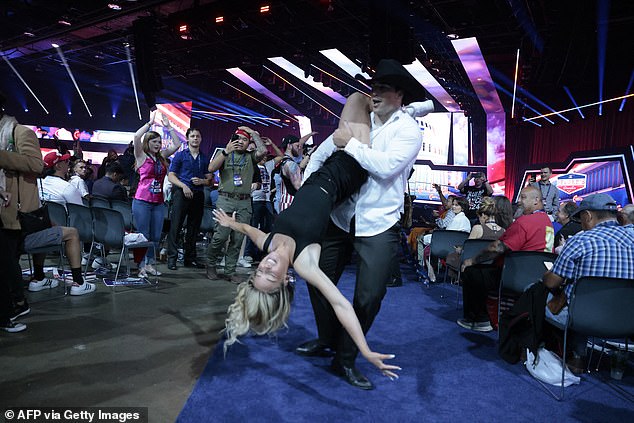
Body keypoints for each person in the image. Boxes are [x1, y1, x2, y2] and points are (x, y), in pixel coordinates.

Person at [214, 90, 402, 383]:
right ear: (285, 279)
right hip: (346, 172)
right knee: (356, 99)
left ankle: (398, 106)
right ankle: (404, 107)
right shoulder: (305, 264)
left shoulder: (269, 245)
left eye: (260, 270)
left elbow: (249, 230)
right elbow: (341, 303)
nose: (266, 265)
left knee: (359, 107)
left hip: (321, 172)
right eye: (271, 273)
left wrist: (229, 222)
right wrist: (365, 350)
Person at [296, 59, 427, 389]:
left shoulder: (408, 130)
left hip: (378, 224)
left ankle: (346, 357)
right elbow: (325, 151)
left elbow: (384, 167)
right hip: (340, 218)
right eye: (373, 88)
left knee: (369, 296)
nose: (375, 93)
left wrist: (350, 144)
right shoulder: (361, 119)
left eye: (382, 88)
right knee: (316, 279)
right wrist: (310, 187)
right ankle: (328, 339)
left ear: (400, 94)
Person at [543, 193, 634, 371]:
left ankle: (571, 356)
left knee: (539, 292)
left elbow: (552, 283)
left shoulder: (580, 241)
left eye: (581, 219)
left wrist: (546, 274)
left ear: (588, 216)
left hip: (583, 319)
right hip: (628, 320)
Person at [457, 185, 554, 332]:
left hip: (517, 276)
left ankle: (480, 319)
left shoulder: (524, 222)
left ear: (536, 200)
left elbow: (497, 248)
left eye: (523, 197)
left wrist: (472, 260)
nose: (519, 201)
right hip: (538, 276)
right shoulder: (547, 221)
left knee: (472, 271)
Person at [205, 126, 267, 283]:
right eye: (238, 138)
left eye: (245, 140)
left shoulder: (251, 157)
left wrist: (253, 133)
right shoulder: (224, 154)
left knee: (238, 238)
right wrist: (226, 151)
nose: (240, 142)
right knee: (221, 236)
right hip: (225, 199)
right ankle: (211, 264)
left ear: (249, 143)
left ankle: (230, 270)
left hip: (244, 201)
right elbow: (211, 168)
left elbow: (263, 151)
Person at [132, 110, 181, 278]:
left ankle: (151, 264)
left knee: (155, 235)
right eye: (154, 141)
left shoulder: (161, 158)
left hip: (159, 202)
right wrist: (149, 123)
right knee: (142, 234)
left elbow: (176, 145)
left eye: (159, 142)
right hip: (142, 201)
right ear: (148, 142)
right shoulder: (141, 156)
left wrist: (169, 127)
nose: (158, 144)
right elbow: (136, 137)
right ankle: (140, 265)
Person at [166, 127, 210, 270]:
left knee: (194, 228)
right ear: (188, 138)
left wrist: (203, 182)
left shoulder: (204, 158)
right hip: (181, 193)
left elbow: (210, 179)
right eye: (192, 136)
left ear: (201, 139)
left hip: (198, 194)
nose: (195, 138)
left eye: (197, 136)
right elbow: (171, 176)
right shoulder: (180, 155)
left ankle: (190, 258)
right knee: (176, 226)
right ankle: (171, 258)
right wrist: (183, 186)